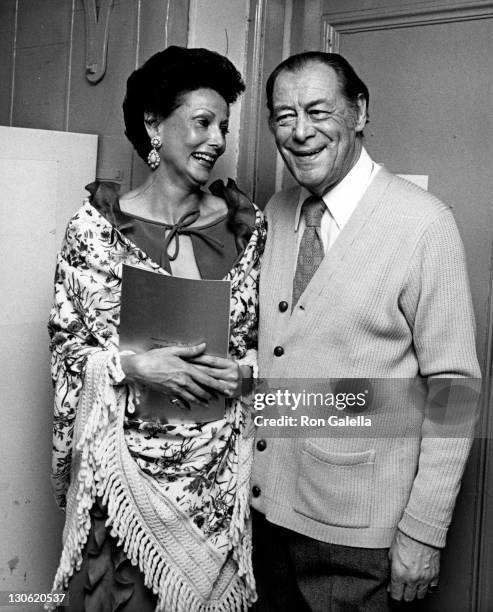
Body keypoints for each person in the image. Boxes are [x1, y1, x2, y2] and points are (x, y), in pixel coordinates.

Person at [250, 51, 480, 611]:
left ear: (359, 112)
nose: (300, 132)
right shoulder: (276, 213)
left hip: (360, 542)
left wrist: (423, 531)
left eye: (317, 111)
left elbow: (455, 390)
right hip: (263, 519)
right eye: (283, 117)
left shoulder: (424, 224)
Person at [48, 45, 265, 611]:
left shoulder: (247, 230)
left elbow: (278, 343)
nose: (217, 139)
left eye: (223, 125)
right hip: (125, 491)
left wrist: (245, 372)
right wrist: (132, 366)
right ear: (153, 125)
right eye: (202, 122)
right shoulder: (94, 231)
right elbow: (68, 348)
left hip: (219, 485)